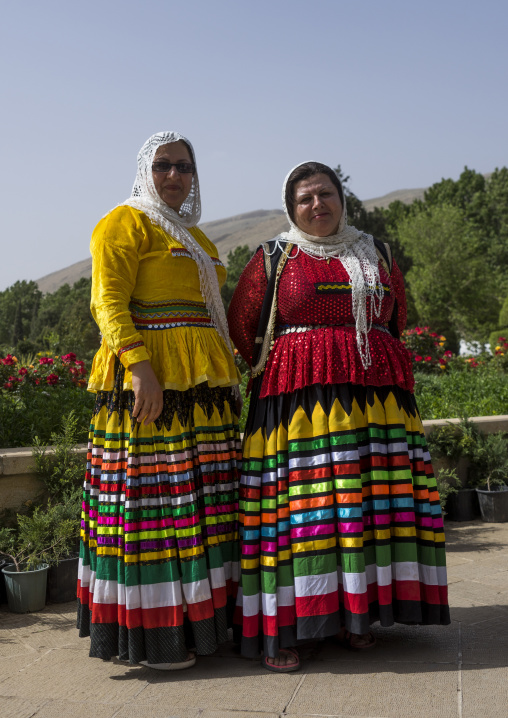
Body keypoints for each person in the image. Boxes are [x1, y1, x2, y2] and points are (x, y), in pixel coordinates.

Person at [228, 161, 450, 672]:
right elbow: (244, 325)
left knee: (363, 509)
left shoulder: (375, 252)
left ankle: (357, 618)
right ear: (291, 206)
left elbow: (396, 316)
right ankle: (295, 625)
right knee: (309, 513)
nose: (317, 206)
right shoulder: (274, 258)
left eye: (325, 194)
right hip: (299, 406)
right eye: (305, 199)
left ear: (341, 198)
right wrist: (307, 354)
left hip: (375, 404)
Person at [77, 131, 242, 670]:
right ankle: (159, 637)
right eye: (164, 165)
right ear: (145, 169)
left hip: (202, 393)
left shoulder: (198, 239)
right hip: (153, 387)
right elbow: (107, 301)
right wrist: (139, 368)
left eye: (185, 167)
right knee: (160, 507)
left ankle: (207, 628)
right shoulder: (122, 222)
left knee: (202, 508)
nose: (174, 176)